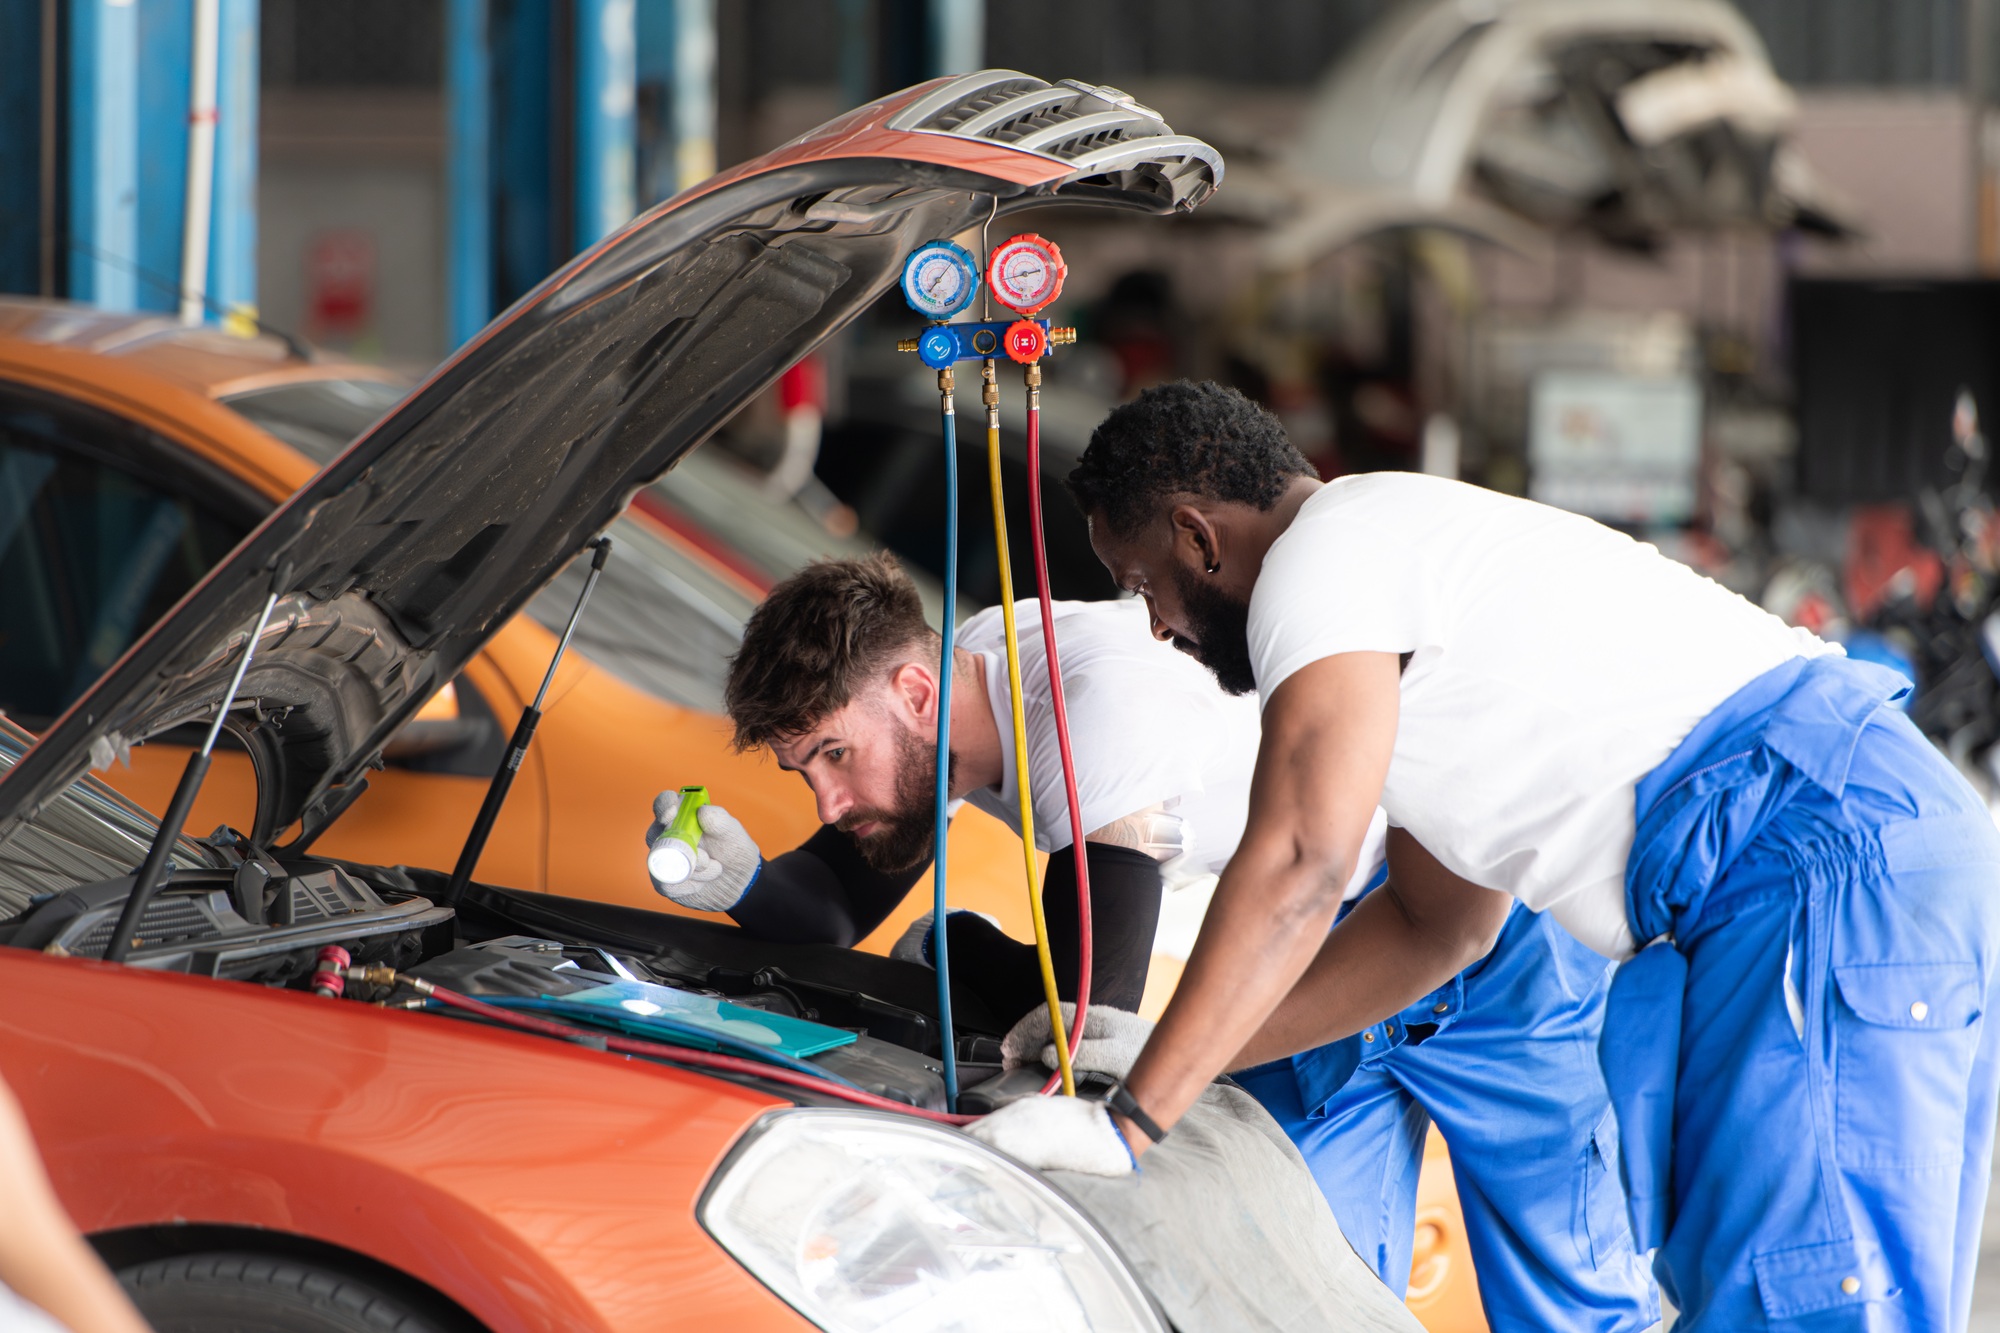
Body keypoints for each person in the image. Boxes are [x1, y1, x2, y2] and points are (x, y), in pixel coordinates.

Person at [980, 379, 2000, 1333]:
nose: (1153, 627)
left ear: (1197, 536)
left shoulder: (1319, 560)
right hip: (1837, 854)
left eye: (1139, 583)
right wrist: (1176, 1059)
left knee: (1796, 1296)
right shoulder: (1400, 587)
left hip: (1818, 857)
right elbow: (1436, 925)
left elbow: (1302, 858)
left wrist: (1129, 1122)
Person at [661, 553, 1659, 1328]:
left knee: (1570, 1303)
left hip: (1480, 947)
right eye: (805, 771)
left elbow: (1095, 1009)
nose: (828, 798)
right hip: (1311, 966)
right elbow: (834, 910)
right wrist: (739, 878)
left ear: (915, 694)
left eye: (834, 755)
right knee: (1298, 1294)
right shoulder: (963, 668)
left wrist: (956, 956)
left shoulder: (1081, 709)